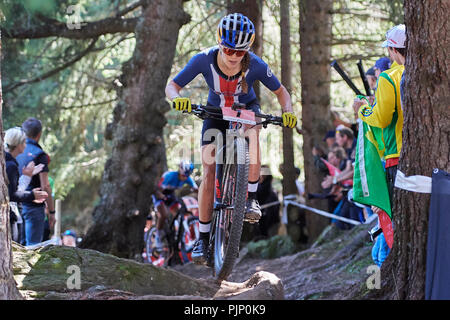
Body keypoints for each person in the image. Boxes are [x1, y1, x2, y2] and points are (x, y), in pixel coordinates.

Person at [165, 13, 296, 264]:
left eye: (240, 52)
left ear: (247, 51)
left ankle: (251, 198)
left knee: (254, 134)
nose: (233, 56)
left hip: (247, 110)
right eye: (228, 49)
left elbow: (282, 93)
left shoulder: (255, 64)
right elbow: (172, 86)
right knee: (209, 170)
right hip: (214, 113)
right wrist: (176, 99)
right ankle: (203, 240)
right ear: (219, 43)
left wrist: (288, 112)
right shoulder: (203, 59)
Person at [353, 24, 406, 266]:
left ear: (394, 51)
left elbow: (382, 118)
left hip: (395, 157)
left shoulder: (389, 77)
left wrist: (364, 110)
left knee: (394, 222)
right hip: (425, 161)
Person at [4, 127, 48, 242]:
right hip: (9, 216)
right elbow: (11, 195)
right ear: (18, 144)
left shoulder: (7, 162)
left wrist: (28, 175)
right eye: (24, 142)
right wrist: (32, 195)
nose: (26, 144)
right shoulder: (10, 166)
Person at [16, 118, 55, 246]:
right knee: (32, 247)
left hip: (15, 205)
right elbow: (45, 186)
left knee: (16, 247)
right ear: (39, 134)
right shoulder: (40, 155)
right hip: (33, 206)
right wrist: (51, 211)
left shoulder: (14, 152)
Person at [152, 160, 198, 250]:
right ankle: (158, 236)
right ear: (179, 171)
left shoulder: (188, 178)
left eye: (187, 176)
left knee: (179, 213)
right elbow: (157, 190)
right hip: (159, 194)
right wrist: (162, 196)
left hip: (170, 194)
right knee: (163, 215)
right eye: (183, 175)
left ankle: (175, 231)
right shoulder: (169, 176)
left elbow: (197, 189)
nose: (185, 178)